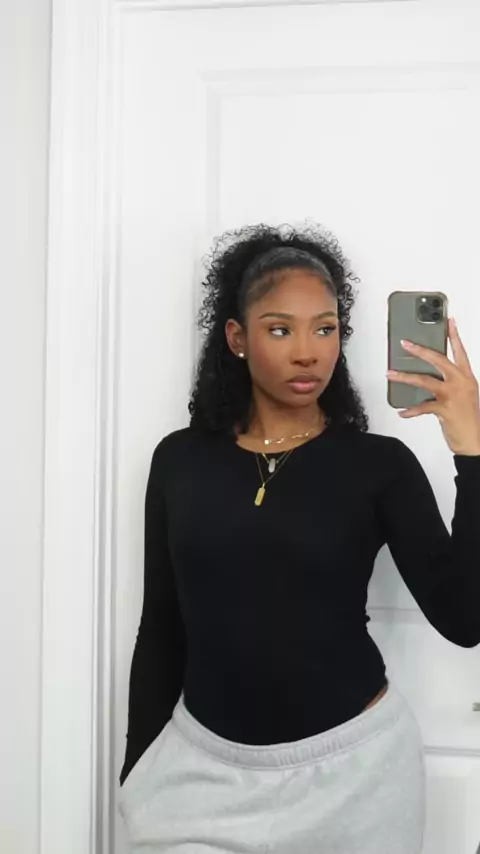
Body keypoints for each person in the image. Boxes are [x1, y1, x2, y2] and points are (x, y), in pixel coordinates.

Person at [118, 222, 480, 854]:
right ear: (237, 337)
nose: (309, 352)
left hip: (357, 780)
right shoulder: (179, 461)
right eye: (281, 330)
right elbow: (162, 627)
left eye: (326, 328)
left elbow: (465, 618)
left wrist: (472, 452)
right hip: (201, 777)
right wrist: (136, 772)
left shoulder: (379, 465)